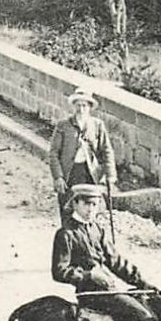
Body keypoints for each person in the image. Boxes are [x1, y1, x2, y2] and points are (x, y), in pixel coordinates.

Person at [52, 183, 157, 321]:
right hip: (91, 295)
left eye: (96, 204)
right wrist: (89, 276)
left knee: (151, 304)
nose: (91, 209)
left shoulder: (97, 229)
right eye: (87, 204)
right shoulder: (65, 234)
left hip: (109, 290)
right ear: (76, 203)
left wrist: (142, 282)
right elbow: (59, 271)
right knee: (143, 317)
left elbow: (115, 261)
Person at [49, 88, 117, 225]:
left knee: (89, 209)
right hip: (69, 174)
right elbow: (53, 153)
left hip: (89, 174)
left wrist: (110, 175)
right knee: (68, 210)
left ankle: (88, 241)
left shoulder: (97, 125)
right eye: (78, 105)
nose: (81, 109)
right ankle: (69, 241)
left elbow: (106, 150)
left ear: (90, 107)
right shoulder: (63, 126)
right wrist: (58, 177)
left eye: (84, 106)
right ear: (74, 106)